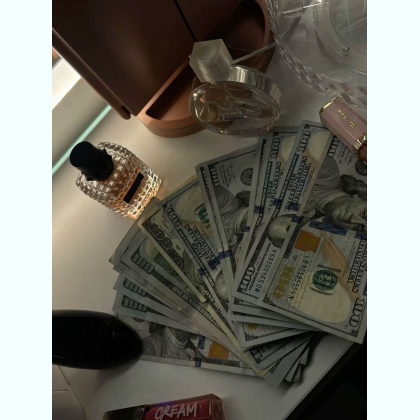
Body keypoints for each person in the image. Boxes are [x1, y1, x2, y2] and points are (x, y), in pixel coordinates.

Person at [303, 156, 367, 233]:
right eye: (364, 214)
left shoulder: (305, 220)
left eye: (359, 227)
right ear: (358, 195)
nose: (353, 220)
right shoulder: (327, 172)